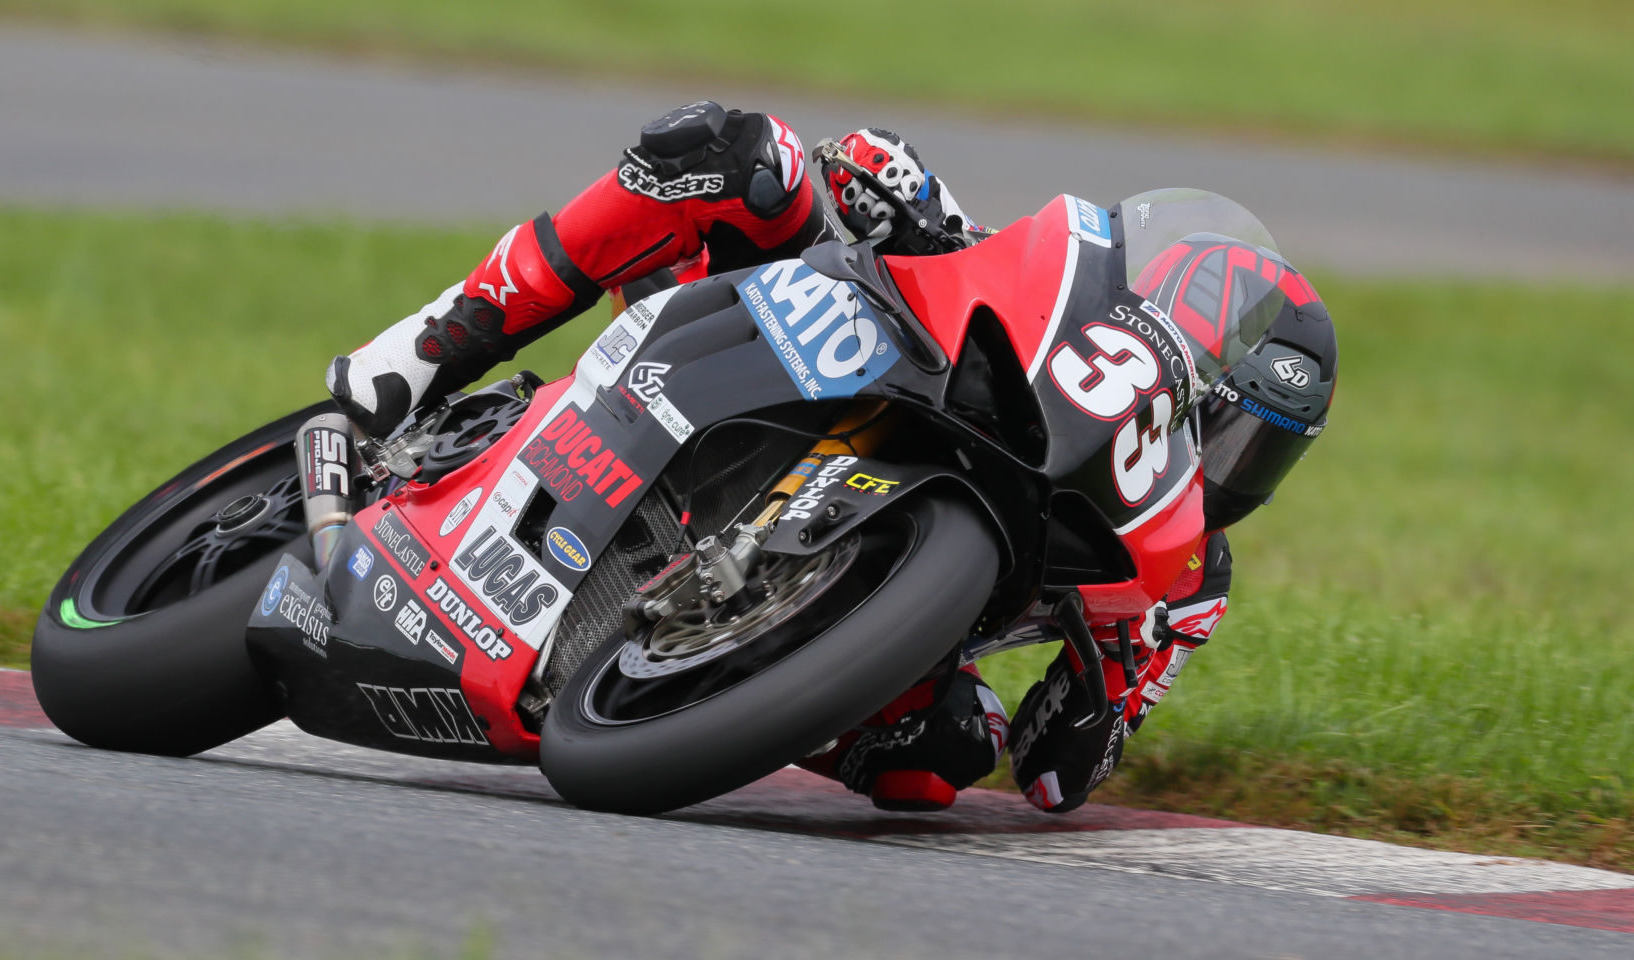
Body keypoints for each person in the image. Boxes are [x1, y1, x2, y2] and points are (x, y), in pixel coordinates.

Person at [326, 101, 1338, 814]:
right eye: (1224, 423)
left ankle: (706, 675)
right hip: (775, 346)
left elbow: (1051, 775)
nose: (1227, 465)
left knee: (943, 759)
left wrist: (1098, 700)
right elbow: (864, 159)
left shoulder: (1185, 579)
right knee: (735, 152)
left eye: (1260, 451)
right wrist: (891, 188)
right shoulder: (1031, 282)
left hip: (897, 596)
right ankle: (425, 349)